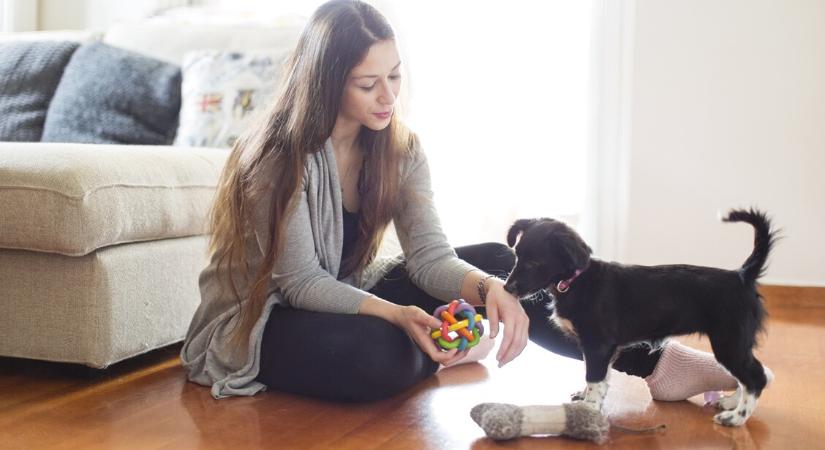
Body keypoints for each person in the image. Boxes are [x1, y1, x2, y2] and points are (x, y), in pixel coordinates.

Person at [181, 0, 751, 402]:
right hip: (266, 318)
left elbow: (428, 257)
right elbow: (301, 281)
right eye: (367, 83)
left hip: (351, 292)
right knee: (373, 357)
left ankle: (656, 365)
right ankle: (448, 342)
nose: (388, 97)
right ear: (328, 82)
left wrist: (491, 292)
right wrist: (401, 314)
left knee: (507, 268)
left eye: (395, 77)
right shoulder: (277, 156)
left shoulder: (398, 149)